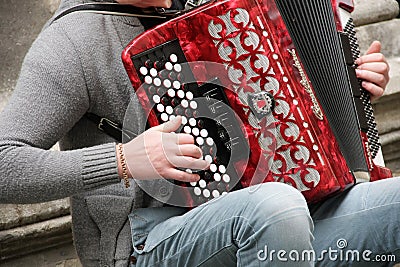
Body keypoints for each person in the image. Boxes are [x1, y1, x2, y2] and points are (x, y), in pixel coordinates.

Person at [0, 0, 395, 266]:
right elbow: (5, 162)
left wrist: (348, 81)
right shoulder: (73, 40)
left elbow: (278, 97)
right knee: (275, 206)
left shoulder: (218, 6)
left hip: (279, 214)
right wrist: (124, 160)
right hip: (145, 241)